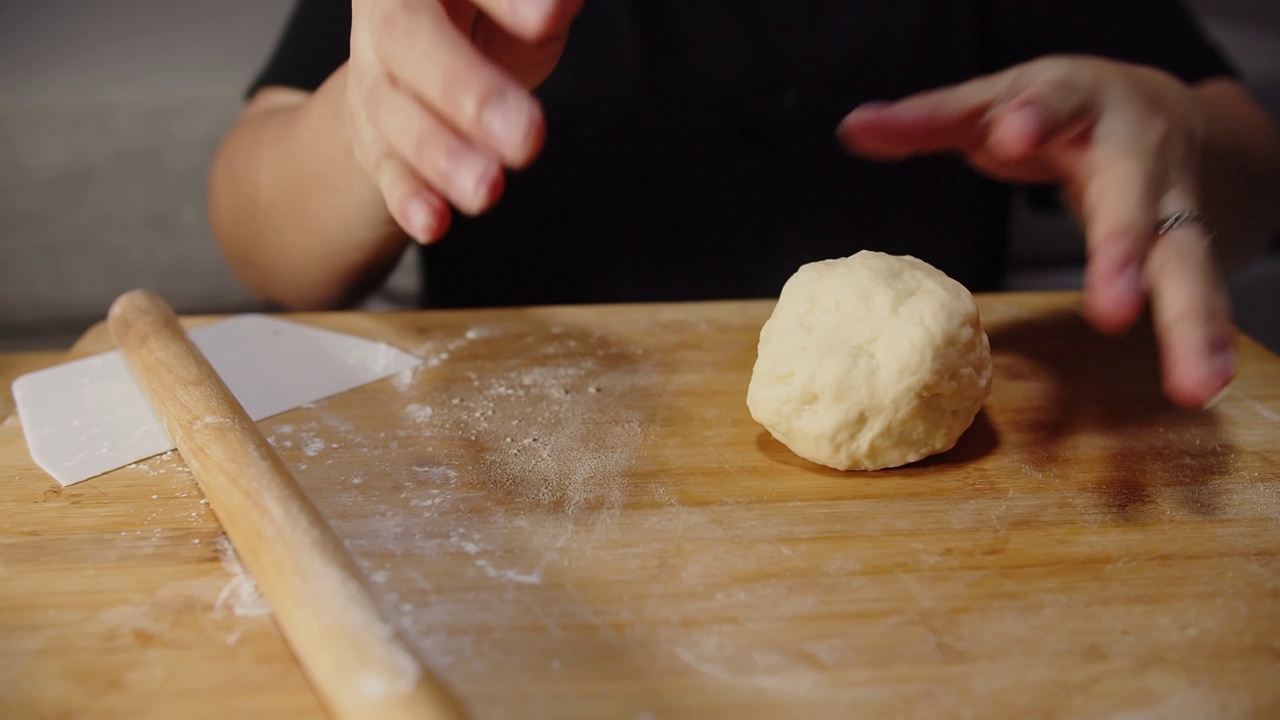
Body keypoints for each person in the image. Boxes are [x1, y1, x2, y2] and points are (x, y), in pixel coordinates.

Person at [208, 0, 1280, 409]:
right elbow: (265, 244)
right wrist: (366, 127)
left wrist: (1171, 144)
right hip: (519, 460)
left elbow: (1248, 165)